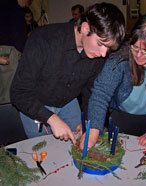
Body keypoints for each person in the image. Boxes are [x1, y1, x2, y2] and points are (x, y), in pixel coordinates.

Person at [10, 3, 125, 146]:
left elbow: (90, 91)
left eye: (108, 48)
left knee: (76, 149)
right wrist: (51, 118)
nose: (103, 54)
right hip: (35, 103)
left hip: (68, 103)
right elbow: (18, 92)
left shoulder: (97, 54)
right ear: (85, 28)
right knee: (42, 153)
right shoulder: (43, 39)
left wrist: (87, 120)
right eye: (101, 43)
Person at [81, 14, 146, 149]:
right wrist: (94, 128)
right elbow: (101, 92)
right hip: (121, 115)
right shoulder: (121, 52)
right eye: (135, 48)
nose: (138, 55)